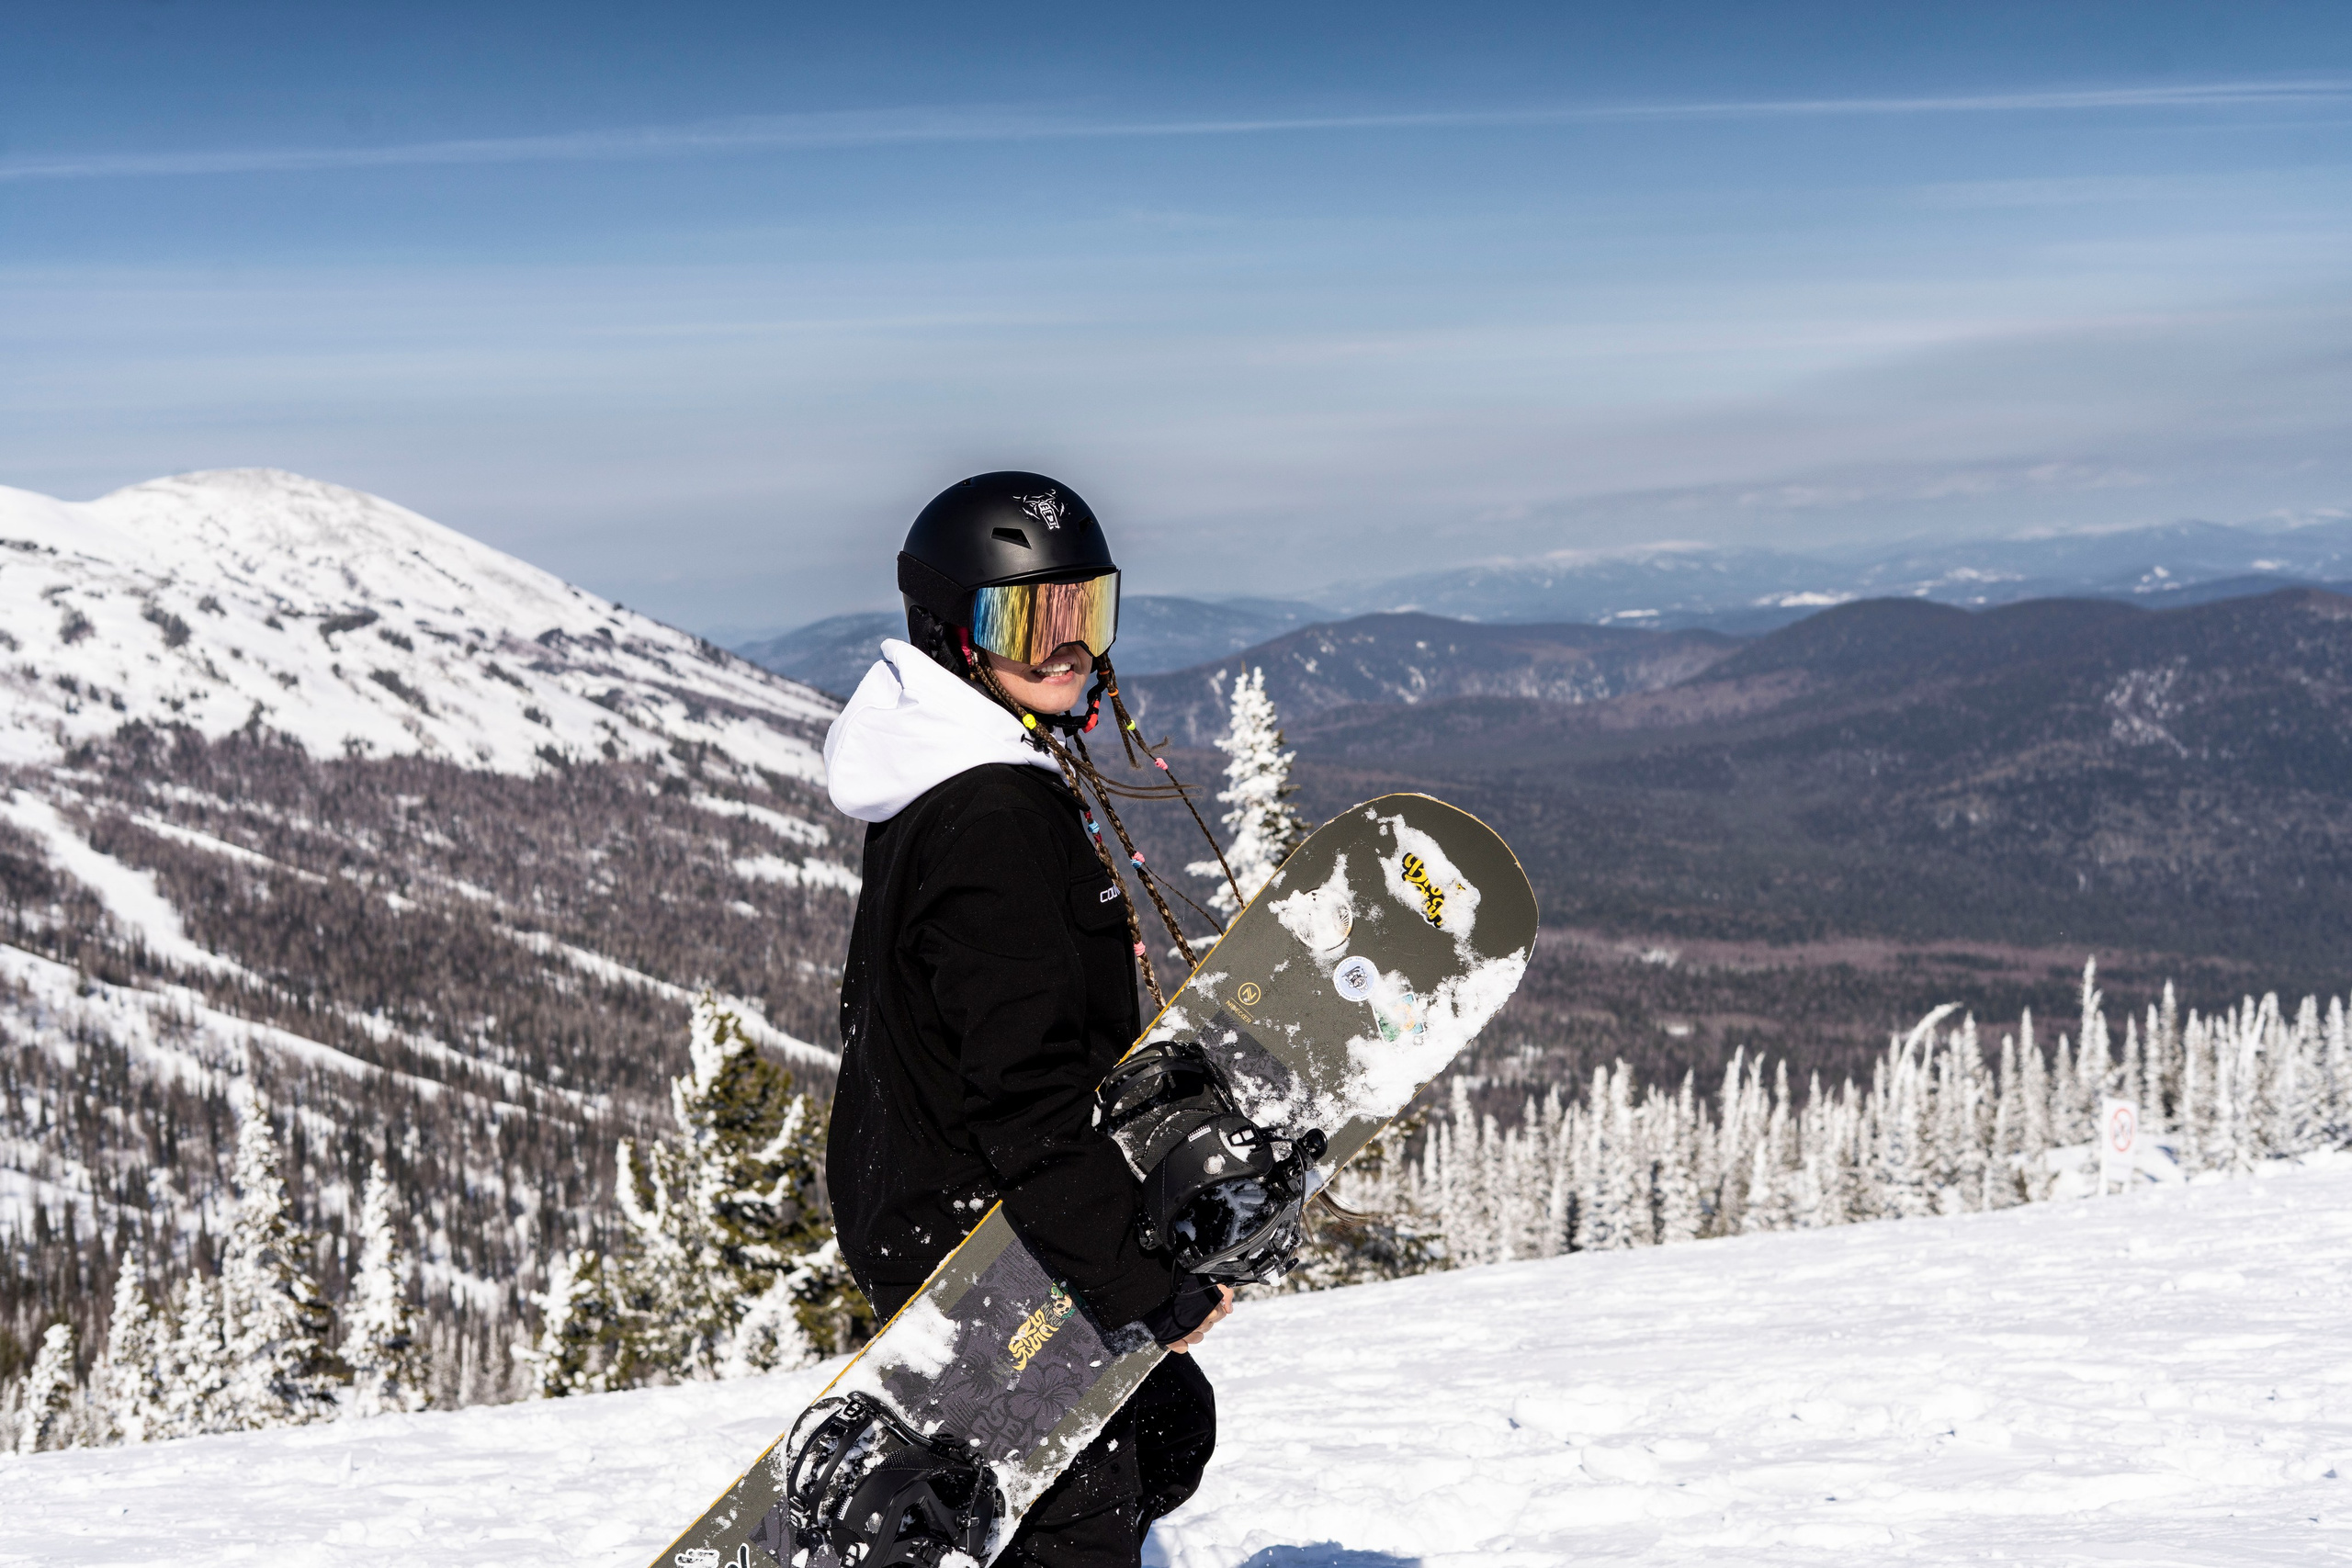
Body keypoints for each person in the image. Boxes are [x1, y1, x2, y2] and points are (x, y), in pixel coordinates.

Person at [822, 471, 1233, 1568]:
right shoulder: (990, 811)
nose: (1066, 651)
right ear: (956, 634)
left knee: (1165, 1426)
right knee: (1073, 1514)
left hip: (951, 1191)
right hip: (973, 1216)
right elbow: (1023, 1096)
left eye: (1083, 613)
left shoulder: (954, 772)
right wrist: (1145, 1284)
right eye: (1027, 620)